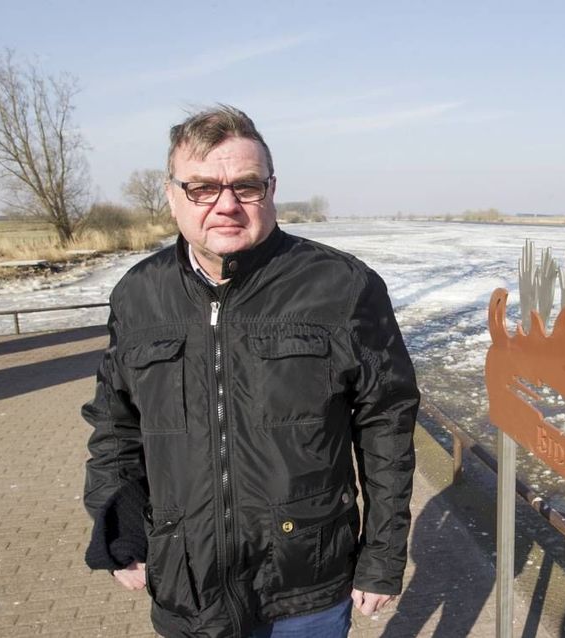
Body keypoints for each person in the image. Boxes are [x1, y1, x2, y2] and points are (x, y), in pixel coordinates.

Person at [81, 105, 419, 638]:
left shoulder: (343, 287)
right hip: (186, 580)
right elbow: (116, 425)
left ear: (271, 188)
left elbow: (387, 426)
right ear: (171, 194)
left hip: (305, 581)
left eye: (246, 185)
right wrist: (118, 526)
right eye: (202, 188)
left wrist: (382, 555)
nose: (226, 205)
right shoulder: (138, 296)